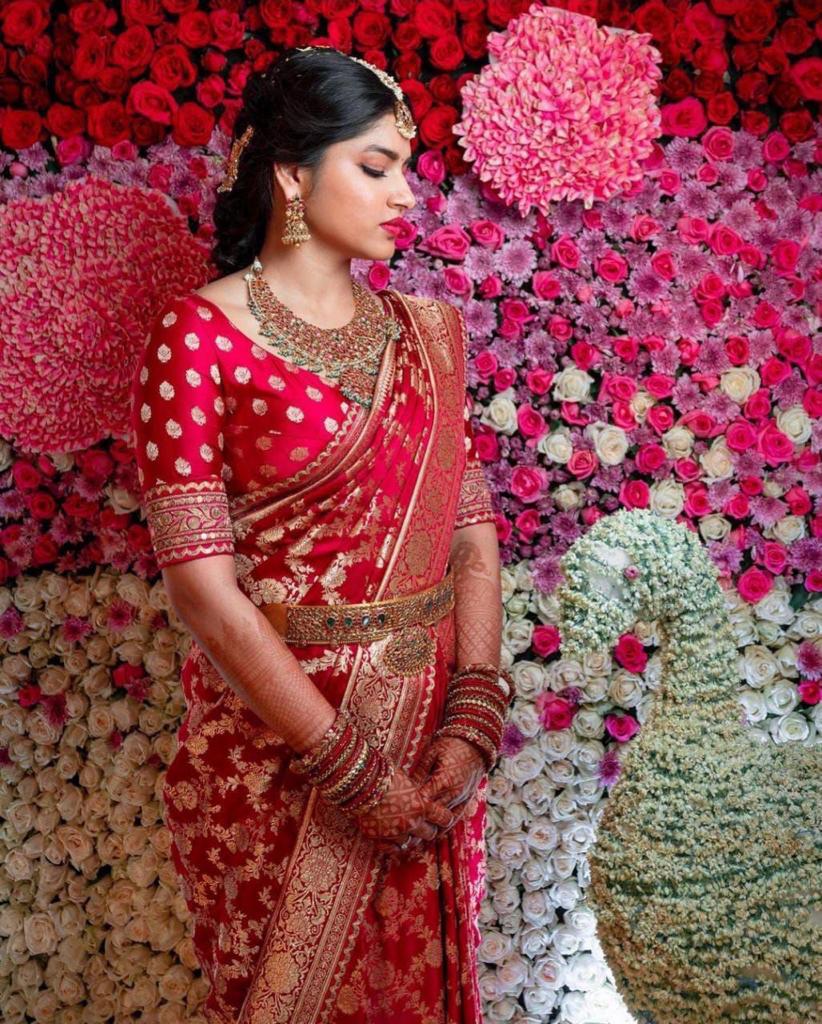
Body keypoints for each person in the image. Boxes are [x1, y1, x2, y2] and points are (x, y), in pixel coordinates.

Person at [130, 45, 511, 1024]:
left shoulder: (429, 333)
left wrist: (471, 715)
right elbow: (203, 590)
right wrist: (347, 765)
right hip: (276, 756)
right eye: (375, 167)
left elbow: (471, 534)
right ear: (293, 175)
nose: (408, 196)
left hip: (425, 747)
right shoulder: (199, 336)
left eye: (409, 169)